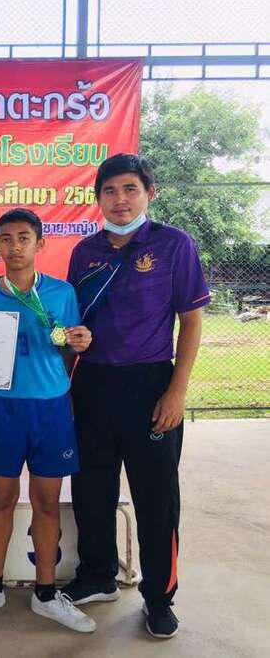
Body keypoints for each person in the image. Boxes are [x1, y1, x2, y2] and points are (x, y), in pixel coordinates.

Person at [60, 154, 210, 639]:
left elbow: (191, 321)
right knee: (91, 488)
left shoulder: (173, 244)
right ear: (98, 198)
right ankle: (97, 575)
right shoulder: (85, 252)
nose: (119, 200)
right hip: (92, 385)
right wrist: (73, 344)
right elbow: (75, 324)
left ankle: (159, 597)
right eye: (109, 191)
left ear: (149, 193)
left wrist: (176, 391)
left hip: (150, 385)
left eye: (130, 189)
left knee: (156, 497)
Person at [0, 208, 95, 632]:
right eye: (6, 239)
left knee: (46, 502)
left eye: (23, 238)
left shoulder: (62, 293)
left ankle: (46, 593)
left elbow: (69, 349)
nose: (15, 246)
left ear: (40, 244)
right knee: (1, 497)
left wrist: (78, 343)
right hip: (5, 408)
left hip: (51, 408)